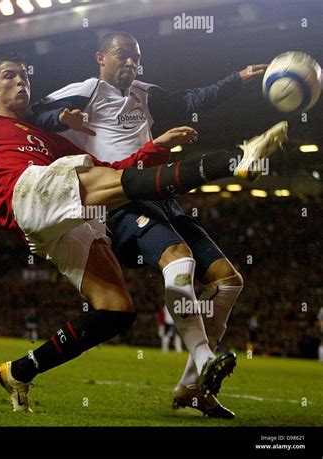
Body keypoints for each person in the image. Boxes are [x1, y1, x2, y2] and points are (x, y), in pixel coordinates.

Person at [0, 53, 287, 413]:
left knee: (116, 311)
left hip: (60, 221)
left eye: (23, 76)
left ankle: (18, 371)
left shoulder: (51, 140)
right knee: (106, 183)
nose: (20, 82)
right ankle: (234, 160)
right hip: (28, 192)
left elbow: (116, 171)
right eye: (9, 76)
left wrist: (154, 146)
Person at [31, 31, 270, 418]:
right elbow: (33, 113)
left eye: (136, 58)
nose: (130, 63)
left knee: (228, 281)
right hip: (119, 199)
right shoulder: (85, 91)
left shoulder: (145, 93)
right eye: (122, 55)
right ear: (100, 58)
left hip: (160, 195)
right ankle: (206, 356)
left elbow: (190, 100)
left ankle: (192, 387)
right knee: (179, 262)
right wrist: (59, 118)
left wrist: (237, 79)